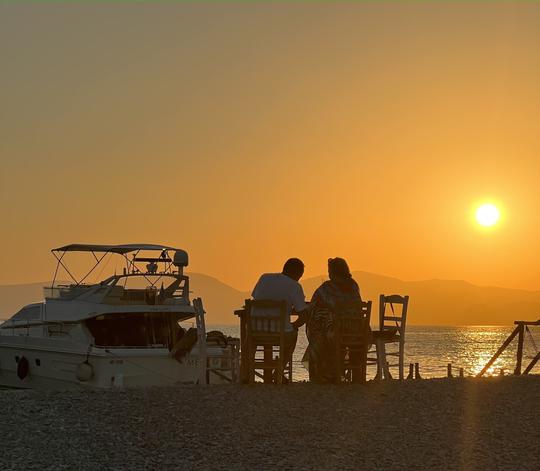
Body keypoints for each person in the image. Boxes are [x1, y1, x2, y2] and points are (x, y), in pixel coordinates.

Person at [306, 257, 363, 384]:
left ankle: (326, 374)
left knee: (319, 334)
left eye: (329, 270)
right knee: (327, 329)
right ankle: (339, 371)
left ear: (332, 272)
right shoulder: (353, 285)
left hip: (336, 332)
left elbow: (312, 306)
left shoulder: (327, 287)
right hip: (356, 331)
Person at [251, 258, 309, 368]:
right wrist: (293, 326)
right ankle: (278, 370)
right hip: (280, 333)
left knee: (249, 339)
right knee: (293, 335)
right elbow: (303, 316)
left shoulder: (264, 278)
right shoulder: (294, 286)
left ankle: (246, 372)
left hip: (255, 331)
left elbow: (255, 298)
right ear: (297, 273)